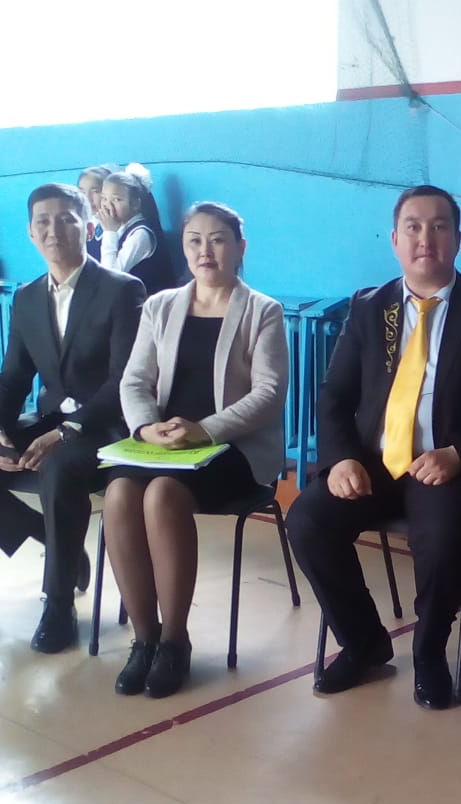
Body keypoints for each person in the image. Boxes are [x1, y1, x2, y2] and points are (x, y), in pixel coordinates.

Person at [286, 184, 461, 710]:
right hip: (376, 463)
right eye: (414, 227)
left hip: (457, 466)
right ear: (396, 240)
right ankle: (363, 642)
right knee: (308, 520)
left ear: (458, 239)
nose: (427, 238)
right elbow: (334, 395)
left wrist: (459, 453)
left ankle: (429, 653)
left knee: (442, 536)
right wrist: (341, 458)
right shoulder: (370, 307)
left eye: (440, 226)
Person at [0, 183, 145, 654]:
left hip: (105, 425)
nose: (54, 230)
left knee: (58, 467)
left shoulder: (121, 290)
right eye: (43, 222)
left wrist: (68, 431)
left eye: (66, 219)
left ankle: (58, 603)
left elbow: (124, 381)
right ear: (30, 233)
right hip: (51, 419)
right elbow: (12, 376)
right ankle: (53, 541)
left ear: (87, 228)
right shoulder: (28, 297)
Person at [104, 202, 288, 698]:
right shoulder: (160, 305)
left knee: (162, 495)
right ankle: (143, 639)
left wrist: (204, 431)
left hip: (231, 447)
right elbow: (134, 381)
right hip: (164, 443)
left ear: (240, 247)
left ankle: (173, 641)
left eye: (218, 239)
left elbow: (269, 393)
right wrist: (146, 428)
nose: (205, 250)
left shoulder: (263, 311)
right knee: (119, 494)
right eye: (194, 240)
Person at [98, 163, 175, 295]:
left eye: (116, 199)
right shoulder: (120, 227)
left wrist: (109, 233)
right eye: (104, 198)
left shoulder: (141, 234)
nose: (107, 205)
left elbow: (109, 278)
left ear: (135, 204)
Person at [78, 164, 118, 260]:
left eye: (95, 191)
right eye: (82, 192)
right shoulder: (83, 224)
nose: (87, 198)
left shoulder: (119, 226)